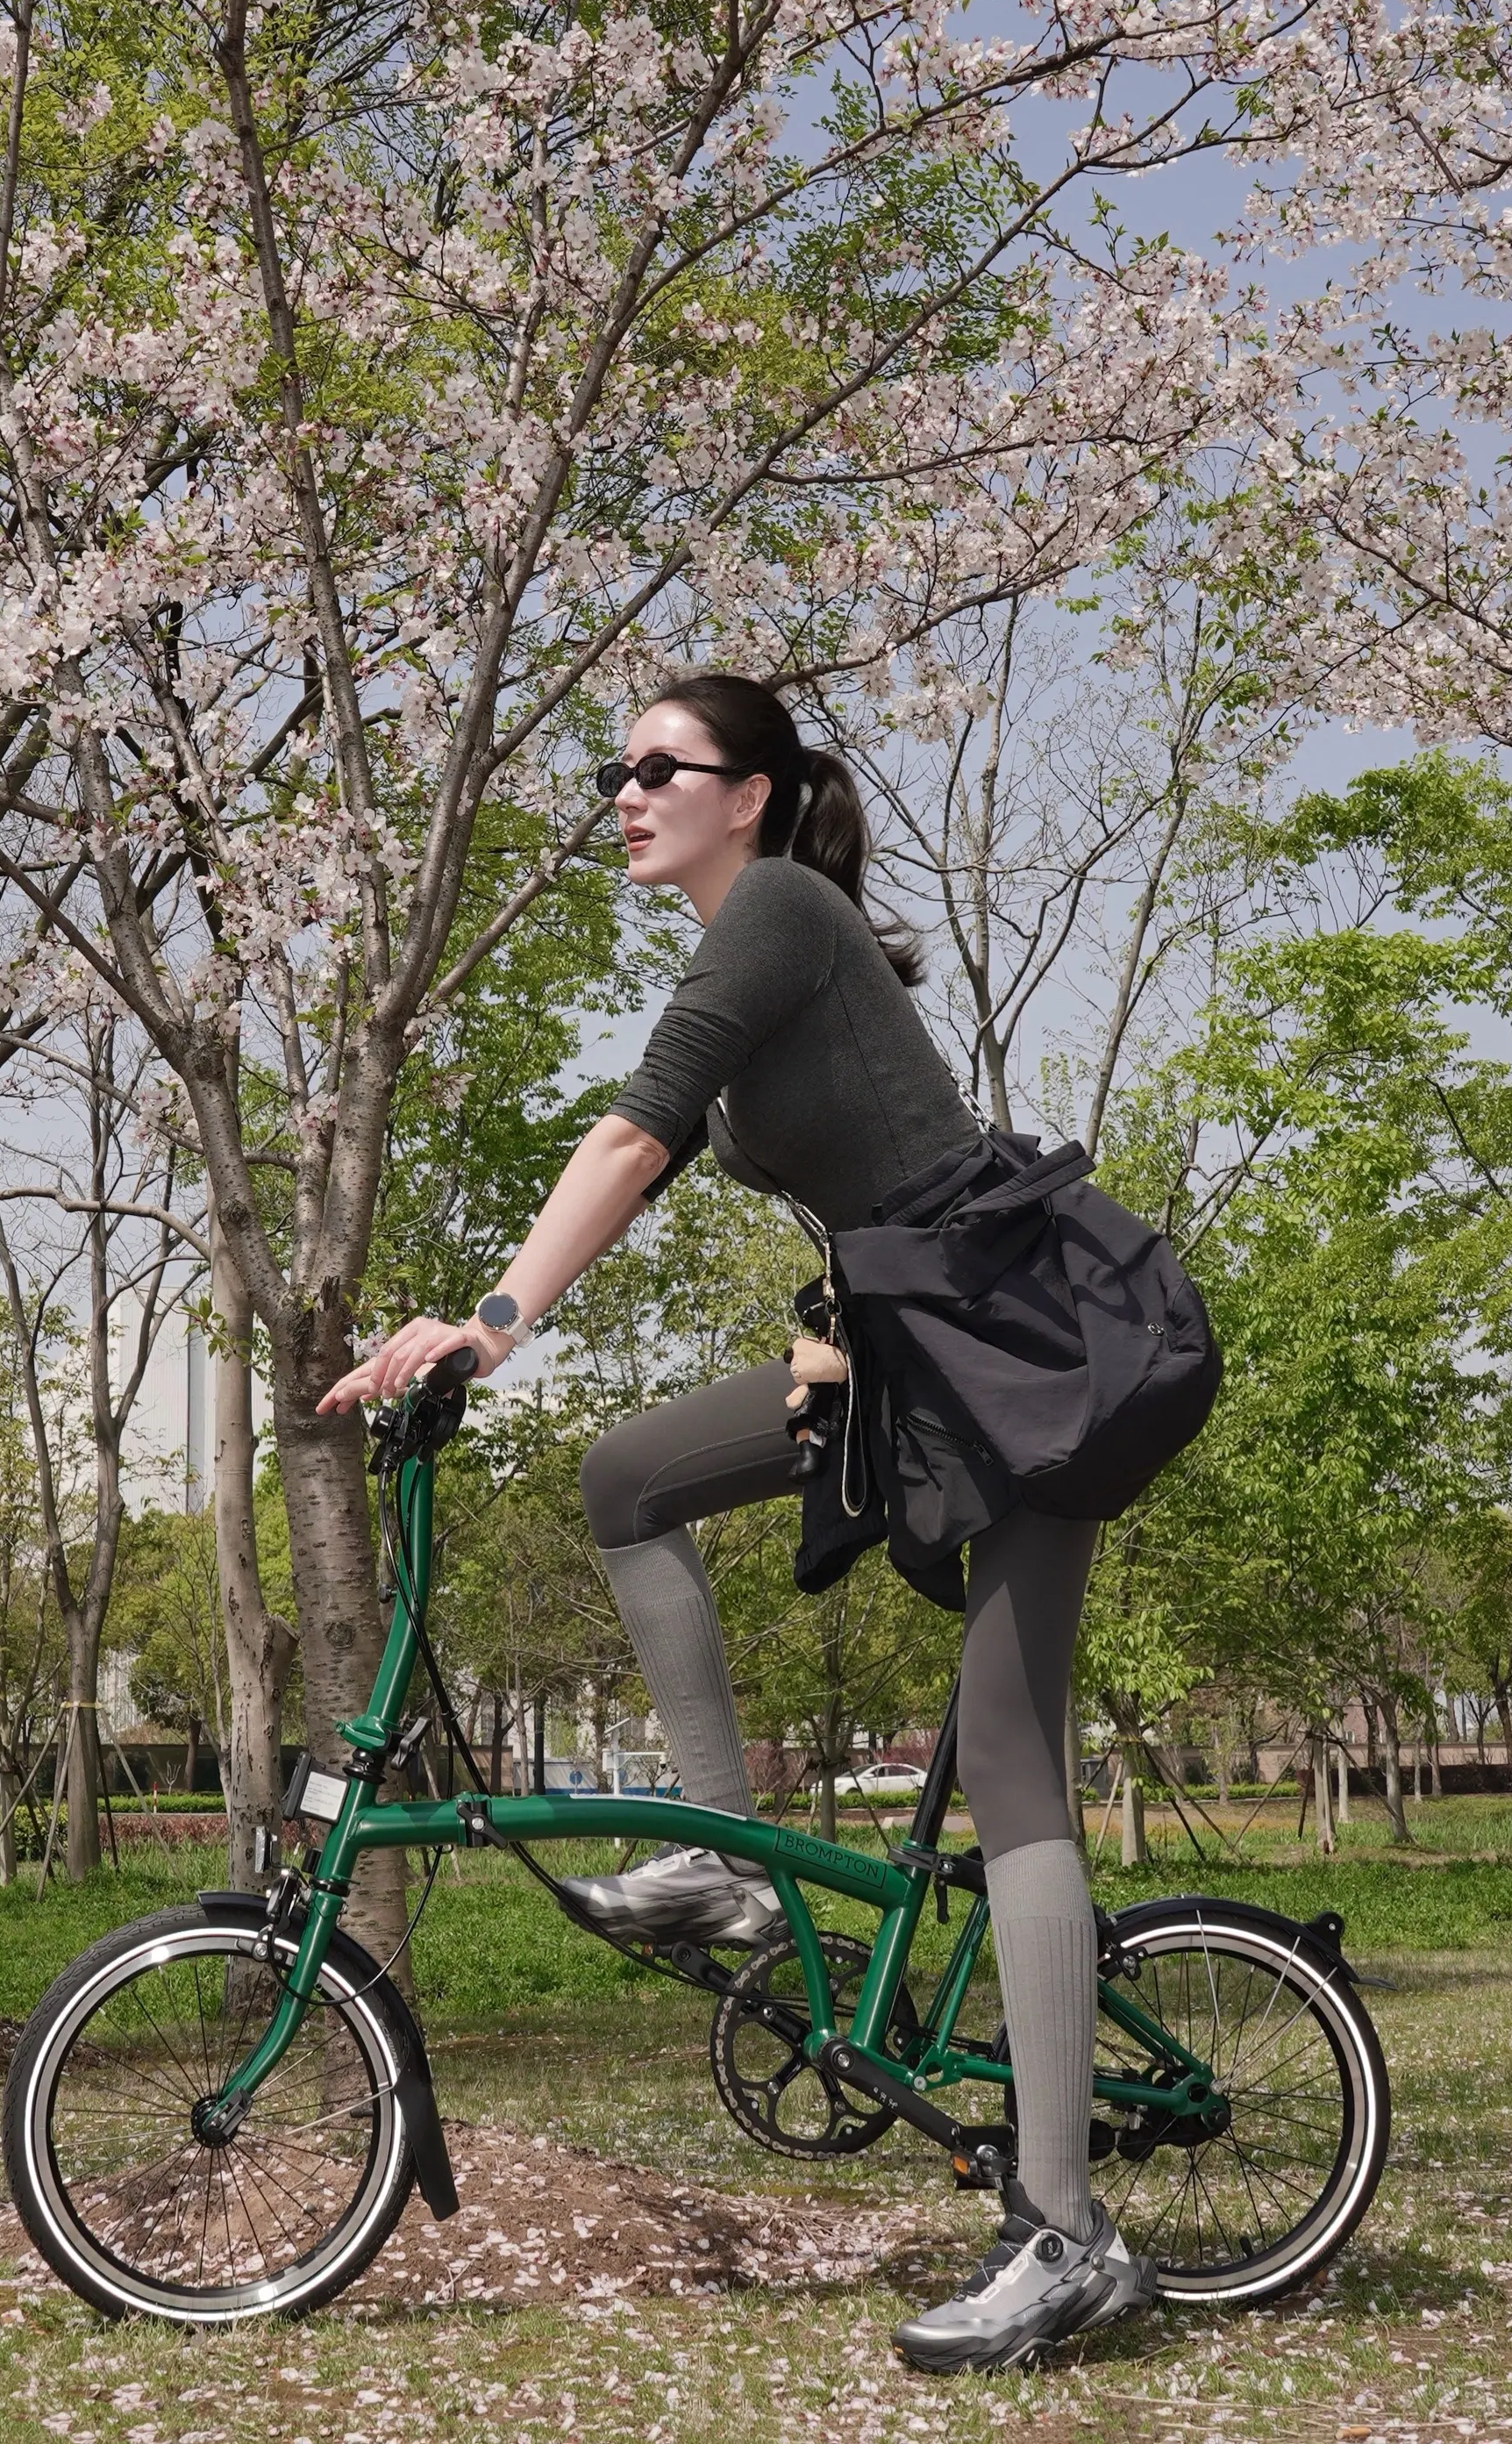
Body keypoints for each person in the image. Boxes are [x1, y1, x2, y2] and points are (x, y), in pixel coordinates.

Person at [318, 674, 1158, 2373]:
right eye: (613, 769)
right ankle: (725, 1856)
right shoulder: (751, 946)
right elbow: (709, 1159)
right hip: (908, 1351)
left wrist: (491, 1321)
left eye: (660, 767)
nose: (625, 794)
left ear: (752, 794)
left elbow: (633, 1138)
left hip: (1023, 1350)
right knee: (626, 1478)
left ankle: (1069, 2233)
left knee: (1011, 1759)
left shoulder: (778, 910)